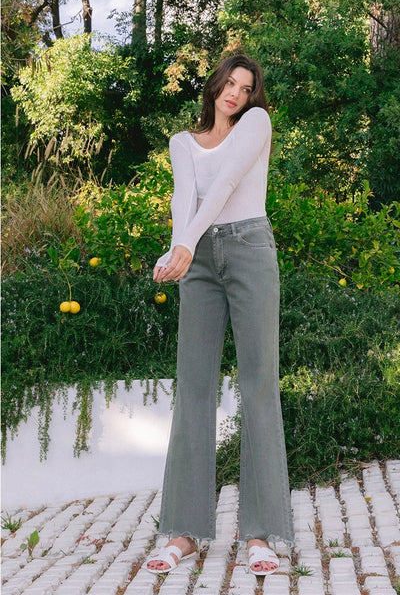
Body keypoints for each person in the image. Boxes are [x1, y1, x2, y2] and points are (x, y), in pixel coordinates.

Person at [144, 54, 294, 576]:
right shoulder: (182, 142)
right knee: (193, 385)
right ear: (214, 86)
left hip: (250, 250)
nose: (235, 93)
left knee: (258, 384)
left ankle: (260, 534)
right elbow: (185, 198)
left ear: (253, 96)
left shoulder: (256, 123)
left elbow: (227, 184)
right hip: (199, 261)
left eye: (245, 88)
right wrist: (177, 249)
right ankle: (183, 533)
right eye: (229, 83)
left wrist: (185, 243)